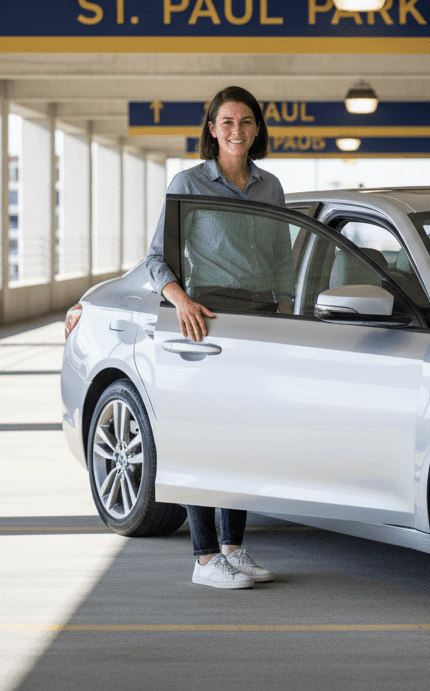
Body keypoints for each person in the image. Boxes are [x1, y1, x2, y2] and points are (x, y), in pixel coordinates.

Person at [143, 85, 290, 590]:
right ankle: (205, 559)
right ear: (211, 129)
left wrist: (289, 312)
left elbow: (281, 261)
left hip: (259, 320)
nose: (237, 131)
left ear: (257, 129)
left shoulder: (270, 187)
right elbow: (155, 258)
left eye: (246, 122)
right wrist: (181, 301)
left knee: (243, 437)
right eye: (227, 122)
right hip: (207, 319)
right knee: (203, 437)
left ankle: (234, 548)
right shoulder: (188, 182)